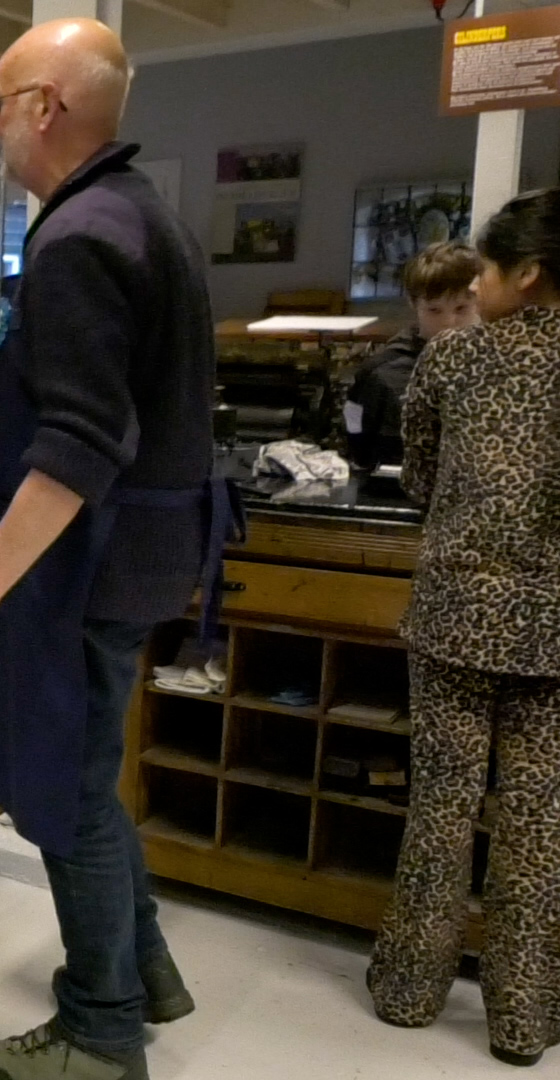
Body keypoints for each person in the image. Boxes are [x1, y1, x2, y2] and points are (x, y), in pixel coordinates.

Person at [0, 20, 217, 1080]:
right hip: (137, 551)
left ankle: (102, 1034)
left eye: (0, 98)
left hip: (88, 565)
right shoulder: (140, 217)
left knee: (64, 792)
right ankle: (147, 973)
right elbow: (101, 413)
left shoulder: (81, 235)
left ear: (46, 107)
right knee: (88, 775)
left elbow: (89, 442)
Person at [365, 189, 560, 1068]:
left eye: (484, 267)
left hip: (454, 614)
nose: (474, 284)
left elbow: (423, 479)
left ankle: (409, 991)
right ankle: (522, 1017)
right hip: (555, 629)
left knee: (440, 809)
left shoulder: (454, 362)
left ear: (527, 274)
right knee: (538, 823)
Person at [344, 242, 480, 471]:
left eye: (461, 309)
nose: (449, 323)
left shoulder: (497, 364)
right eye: (434, 310)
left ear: (480, 302)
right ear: (414, 304)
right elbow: (355, 432)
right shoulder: (381, 372)